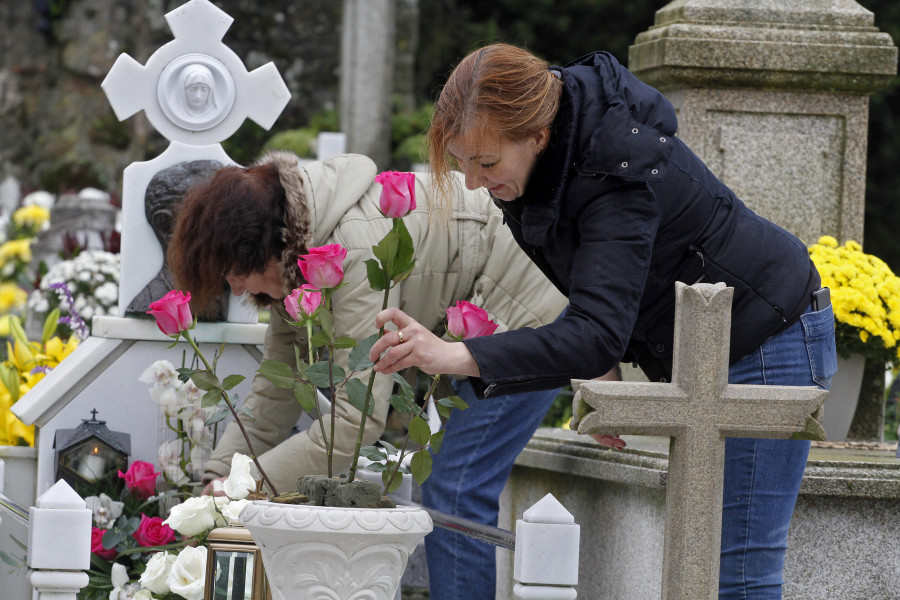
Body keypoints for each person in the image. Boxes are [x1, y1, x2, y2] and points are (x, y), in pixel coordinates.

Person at [369, 44, 837, 600]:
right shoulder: (538, 161)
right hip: (704, 343)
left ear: (538, 134)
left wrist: (453, 355)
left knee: (737, 573)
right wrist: (605, 361)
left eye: (486, 163)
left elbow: (592, 327)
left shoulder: (616, 166)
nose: (471, 181)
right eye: (461, 160)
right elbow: (596, 279)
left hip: (770, 335)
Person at [165, 151, 569, 574]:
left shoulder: (352, 250)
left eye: (233, 273)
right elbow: (277, 391)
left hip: (525, 308)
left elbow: (356, 421)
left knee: (456, 490)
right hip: (478, 315)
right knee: (452, 489)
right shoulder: (295, 262)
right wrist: (217, 478)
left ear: (259, 246)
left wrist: (240, 492)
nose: (234, 286)